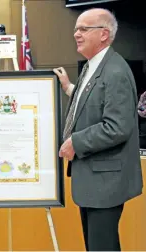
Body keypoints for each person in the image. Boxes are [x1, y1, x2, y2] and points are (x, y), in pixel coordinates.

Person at [53, 8, 143, 251]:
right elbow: (93, 103)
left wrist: (76, 143)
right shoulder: (92, 67)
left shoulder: (115, 72)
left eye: (83, 29)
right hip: (94, 180)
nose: (76, 34)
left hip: (106, 182)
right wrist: (69, 88)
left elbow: (117, 127)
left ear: (104, 34)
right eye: (75, 29)